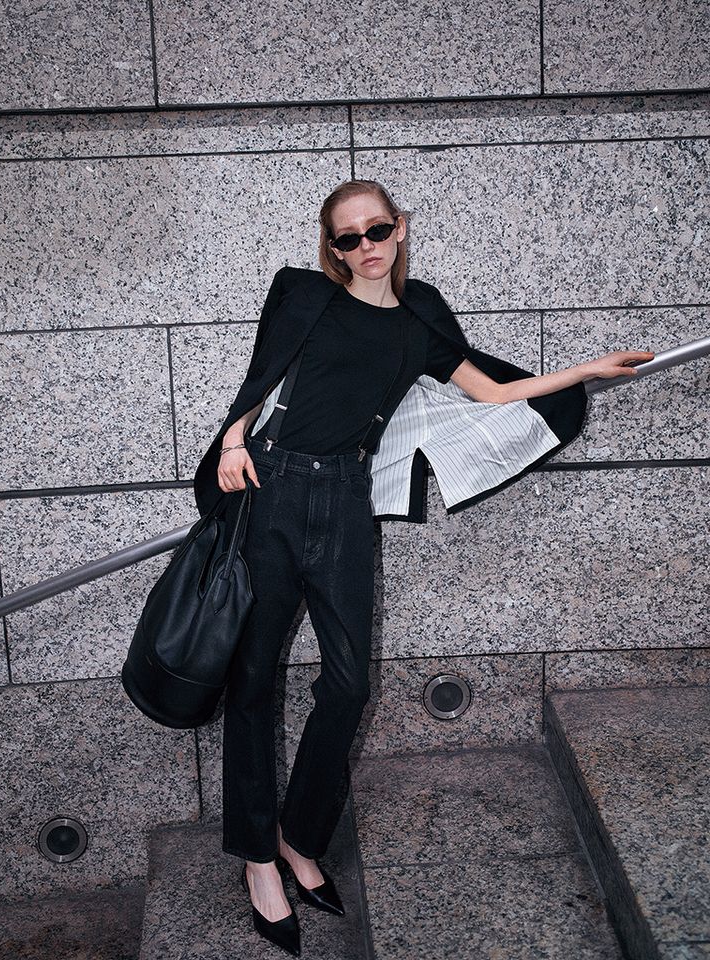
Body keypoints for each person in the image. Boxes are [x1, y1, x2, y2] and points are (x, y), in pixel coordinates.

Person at [193, 179, 654, 956]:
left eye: (376, 230)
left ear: (400, 228)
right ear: (332, 248)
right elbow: (259, 375)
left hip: (346, 499)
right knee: (254, 678)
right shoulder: (304, 295)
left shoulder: (421, 316)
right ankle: (257, 859)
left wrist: (583, 371)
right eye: (348, 238)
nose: (365, 246)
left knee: (348, 683)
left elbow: (493, 390)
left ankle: (300, 838)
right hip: (272, 489)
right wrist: (233, 441)